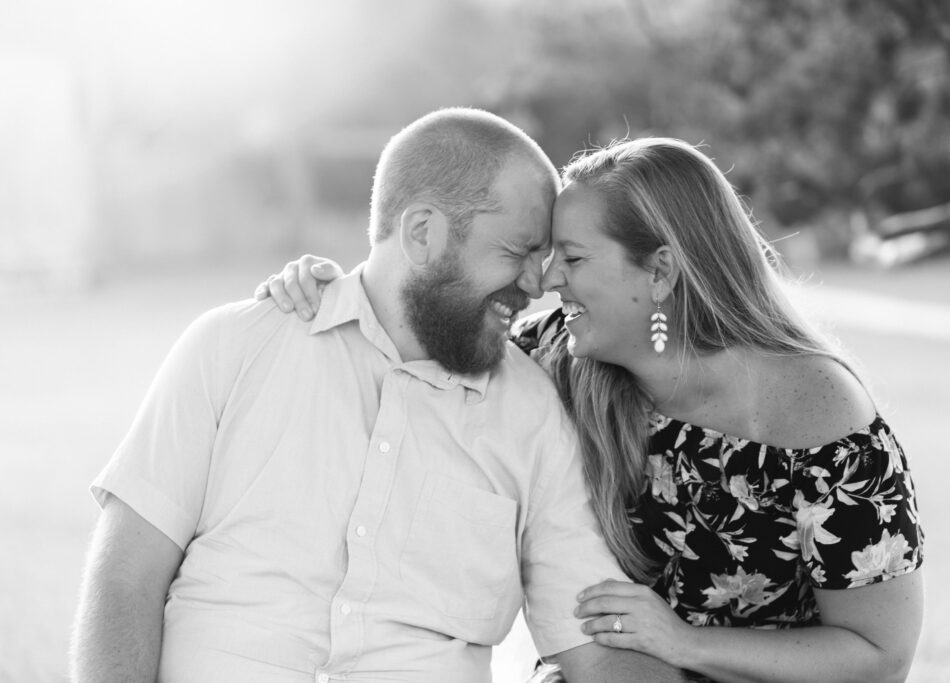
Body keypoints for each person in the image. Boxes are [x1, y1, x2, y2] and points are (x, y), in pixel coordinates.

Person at [262, 137, 925, 683]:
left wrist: (687, 643)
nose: (548, 280)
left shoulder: (818, 409)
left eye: (573, 258)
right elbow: (415, 336)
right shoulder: (556, 357)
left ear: (661, 271)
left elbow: (879, 653)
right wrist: (334, 288)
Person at [70, 109, 687, 683]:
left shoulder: (533, 414)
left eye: (546, 256)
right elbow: (125, 580)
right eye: (517, 252)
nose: (538, 283)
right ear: (422, 233)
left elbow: (592, 644)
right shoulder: (234, 347)